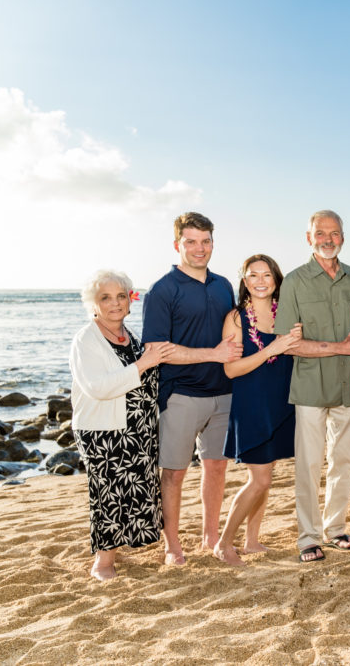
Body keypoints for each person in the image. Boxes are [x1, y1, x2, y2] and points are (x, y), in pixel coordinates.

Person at [275, 210, 350, 563]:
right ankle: (307, 537)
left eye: (334, 233)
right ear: (309, 238)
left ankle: (335, 529)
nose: (328, 239)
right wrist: (341, 347)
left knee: (344, 461)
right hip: (310, 387)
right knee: (309, 464)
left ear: (343, 238)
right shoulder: (294, 281)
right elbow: (289, 342)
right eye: (320, 233)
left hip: (348, 384)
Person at [143, 212, 242, 565]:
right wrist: (212, 353)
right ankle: (172, 546)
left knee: (217, 467)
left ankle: (210, 536)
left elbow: (234, 337)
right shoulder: (162, 290)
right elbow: (155, 350)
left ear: (213, 243)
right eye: (191, 241)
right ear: (177, 245)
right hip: (181, 394)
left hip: (224, 392)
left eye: (205, 241)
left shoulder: (223, 285)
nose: (199, 248)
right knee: (174, 472)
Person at [70, 270, 173, 580]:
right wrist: (143, 364)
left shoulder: (129, 335)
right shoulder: (86, 339)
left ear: (130, 300)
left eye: (120, 296)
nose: (114, 303)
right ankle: (103, 562)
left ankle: (118, 550)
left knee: (134, 489)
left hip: (137, 427)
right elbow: (97, 387)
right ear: (94, 304)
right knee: (108, 493)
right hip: (102, 429)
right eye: (105, 297)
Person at [213, 255, 303, 566]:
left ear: (276, 280)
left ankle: (252, 540)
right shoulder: (236, 318)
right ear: (245, 281)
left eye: (267, 275)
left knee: (267, 474)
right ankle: (224, 543)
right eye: (254, 275)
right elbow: (231, 370)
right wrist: (271, 349)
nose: (261, 281)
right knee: (260, 480)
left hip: (280, 404)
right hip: (252, 405)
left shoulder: (286, 314)